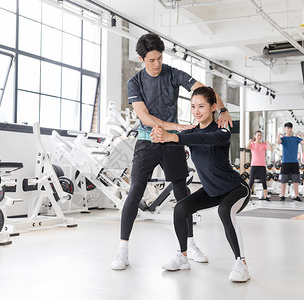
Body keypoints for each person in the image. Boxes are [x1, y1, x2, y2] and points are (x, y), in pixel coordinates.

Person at [110, 33, 232, 270]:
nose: (156, 64)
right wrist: (175, 127)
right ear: (141, 58)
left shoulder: (173, 73)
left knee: (182, 192)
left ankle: (190, 245)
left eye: (159, 58)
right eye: (151, 60)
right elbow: (144, 117)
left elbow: (203, 89)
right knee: (135, 191)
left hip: (172, 143)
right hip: (147, 142)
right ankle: (122, 249)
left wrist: (222, 108)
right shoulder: (134, 82)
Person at [151, 86, 251, 282]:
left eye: (201, 106)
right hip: (212, 191)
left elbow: (205, 138)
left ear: (213, 107)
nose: (196, 111)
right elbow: (179, 140)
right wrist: (160, 137)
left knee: (224, 211)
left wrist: (175, 135)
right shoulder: (191, 132)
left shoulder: (221, 130)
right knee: (180, 208)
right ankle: (182, 256)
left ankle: (241, 264)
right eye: (193, 106)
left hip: (236, 189)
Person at [276, 122, 304, 202]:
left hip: (294, 162)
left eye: (290, 128)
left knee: (295, 180)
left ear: (292, 129)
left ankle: (296, 196)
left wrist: (302, 134)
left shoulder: (296, 138)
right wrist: (278, 134)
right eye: (287, 128)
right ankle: (282, 196)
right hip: (285, 162)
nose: (289, 130)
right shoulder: (283, 139)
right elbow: (277, 141)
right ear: (285, 129)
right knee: (283, 180)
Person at [246, 130, 272, 201]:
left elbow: (271, 149)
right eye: (258, 135)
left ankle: (266, 197)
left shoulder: (263, 145)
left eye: (260, 135)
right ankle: (248, 197)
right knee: (251, 181)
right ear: (255, 136)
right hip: (254, 165)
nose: (260, 137)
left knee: (264, 181)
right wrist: (250, 141)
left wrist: (268, 143)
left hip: (262, 165)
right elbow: (247, 147)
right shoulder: (252, 144)